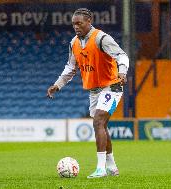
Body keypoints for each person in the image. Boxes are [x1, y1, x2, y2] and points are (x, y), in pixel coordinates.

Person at [47, 8, 129, 178]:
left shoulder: (101, 38)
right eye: (73, 24)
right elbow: (70, 68)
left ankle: (101, 168)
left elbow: (122, 55)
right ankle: (112, 166)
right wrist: (58, 85)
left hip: (112, 85)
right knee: (102, 125)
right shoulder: (74, 43)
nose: (76, 27)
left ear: (89, 21)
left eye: (79, 23)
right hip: (94, 90)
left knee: (98, 121)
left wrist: (122, 72)